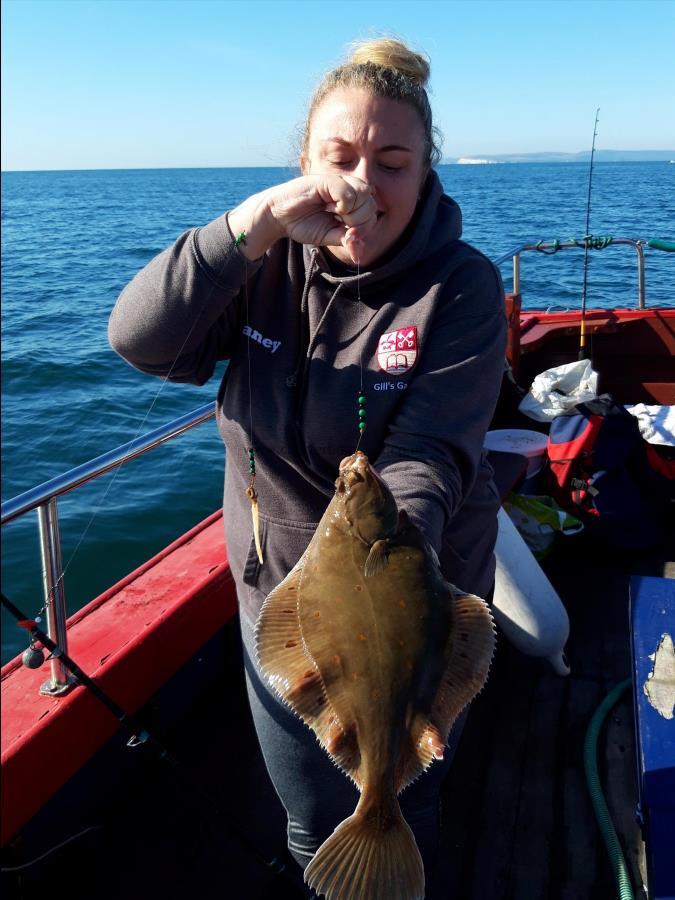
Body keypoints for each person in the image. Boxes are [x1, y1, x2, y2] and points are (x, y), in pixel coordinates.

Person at [109, 38, 506, 897]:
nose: (363, 186)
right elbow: (138, 340)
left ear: (427, 170)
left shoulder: (462, 289)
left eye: (392, 163)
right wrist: (245, 228)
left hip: (420, 613)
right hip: (277, 603)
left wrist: (392, 553)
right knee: (304, 816)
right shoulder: (260, 270)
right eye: (339, 159)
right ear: (302, 166)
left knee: (410, 796)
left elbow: (430, 455)